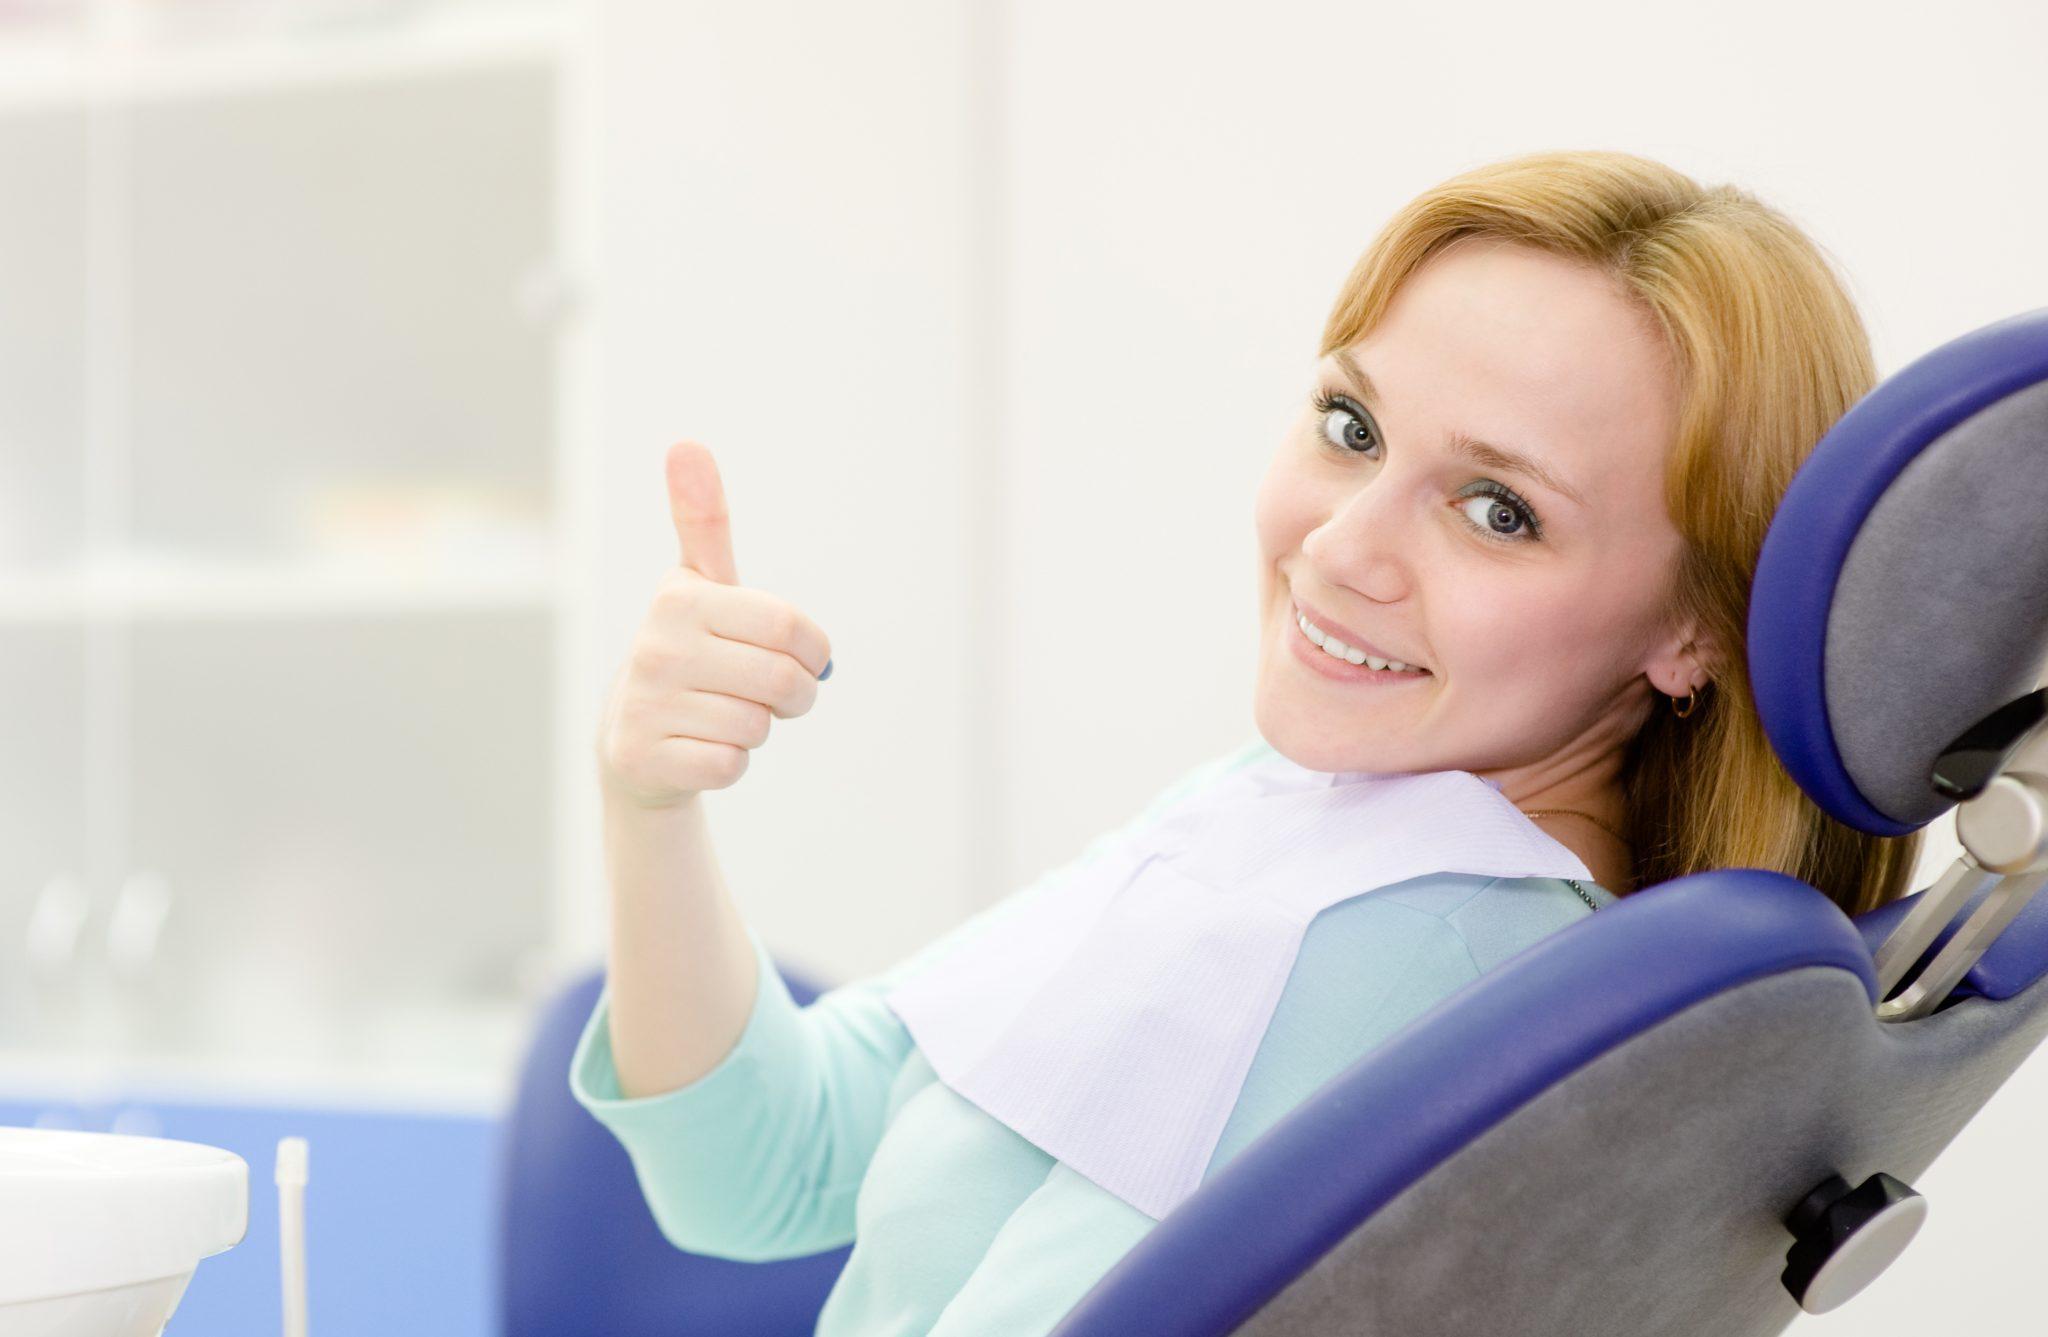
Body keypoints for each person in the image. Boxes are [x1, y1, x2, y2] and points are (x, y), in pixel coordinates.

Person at [569, 149, 1926, 1333]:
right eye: (1352, 426)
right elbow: (760, 1165)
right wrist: (650, 799)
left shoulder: (1413, 958)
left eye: (1497, 509)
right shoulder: (1313, 818)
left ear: (1692, 630)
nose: (1339, 548)